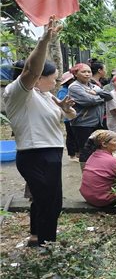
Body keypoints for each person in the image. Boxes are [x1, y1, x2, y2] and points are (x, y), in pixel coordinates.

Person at [3, 17, 76, 246]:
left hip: (51, 154)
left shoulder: (45, 96)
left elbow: (66, 118)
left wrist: (65, 110)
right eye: (52, 79)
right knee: (50, 204)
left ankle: (38, 236)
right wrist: (44, 40)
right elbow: (30, 70)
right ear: (38, 79)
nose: (55, 83)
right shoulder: (19, 93)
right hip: (36, 155)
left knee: (45, 201)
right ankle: (48, 247)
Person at [68, 63, 112, 171]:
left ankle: (97, 170)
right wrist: (100, 98)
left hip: (97, 122)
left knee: (98, 148)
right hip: (83, 123)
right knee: (86, 149)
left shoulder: (93, 86)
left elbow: (109, 96)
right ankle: (87, 172)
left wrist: (95, 94)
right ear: (76, 74)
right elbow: (89, 101)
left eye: (89, 71)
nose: (87, 74)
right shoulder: (74, 87)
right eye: (83, 72)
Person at [57, 71, 79, 162]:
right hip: (68, 118)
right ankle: (72, 154)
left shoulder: (75, 89)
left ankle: (77, 153)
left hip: (76, 116)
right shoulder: (63, 91)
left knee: (76, 135)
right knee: (71, 136)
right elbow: (63, 103)